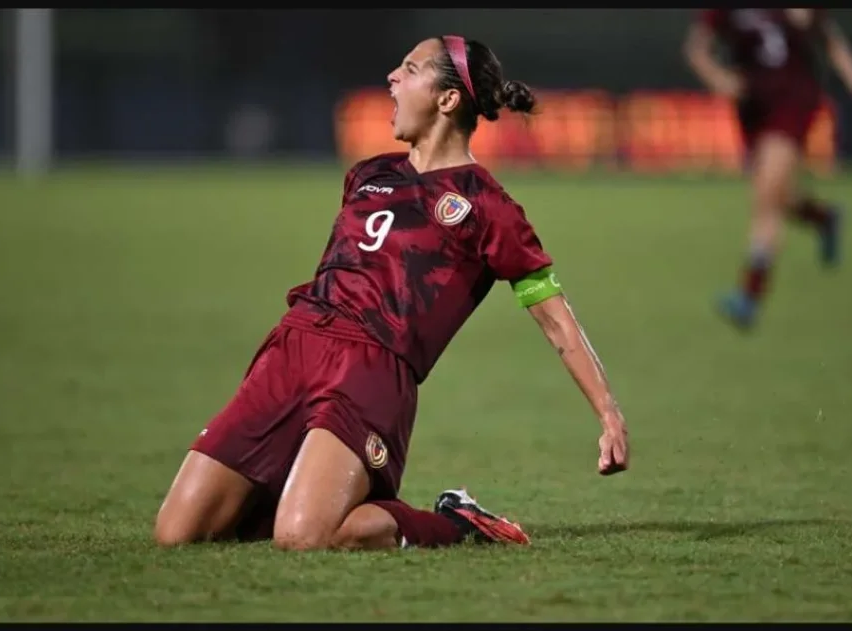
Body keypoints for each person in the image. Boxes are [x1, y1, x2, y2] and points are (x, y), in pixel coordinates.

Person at [152, 35, 630, 552]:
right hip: (290, 349)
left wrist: (608, 414)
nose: (391, 78)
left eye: (409, 68)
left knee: (303, 538)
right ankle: (298, 494)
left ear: (448, 99)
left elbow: (556, 318)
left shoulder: (489, 207)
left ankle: (458, 525)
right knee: (177, 534)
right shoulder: (369, 174)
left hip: (372, 370)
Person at [684, 9, 852, 329]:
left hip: (793, 99)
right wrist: (718, 78)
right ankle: (824, 218)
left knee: (766, 196)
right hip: (752, 106)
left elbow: (825, 33)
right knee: (780, 194)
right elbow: (696, 49)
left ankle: (749, 296)